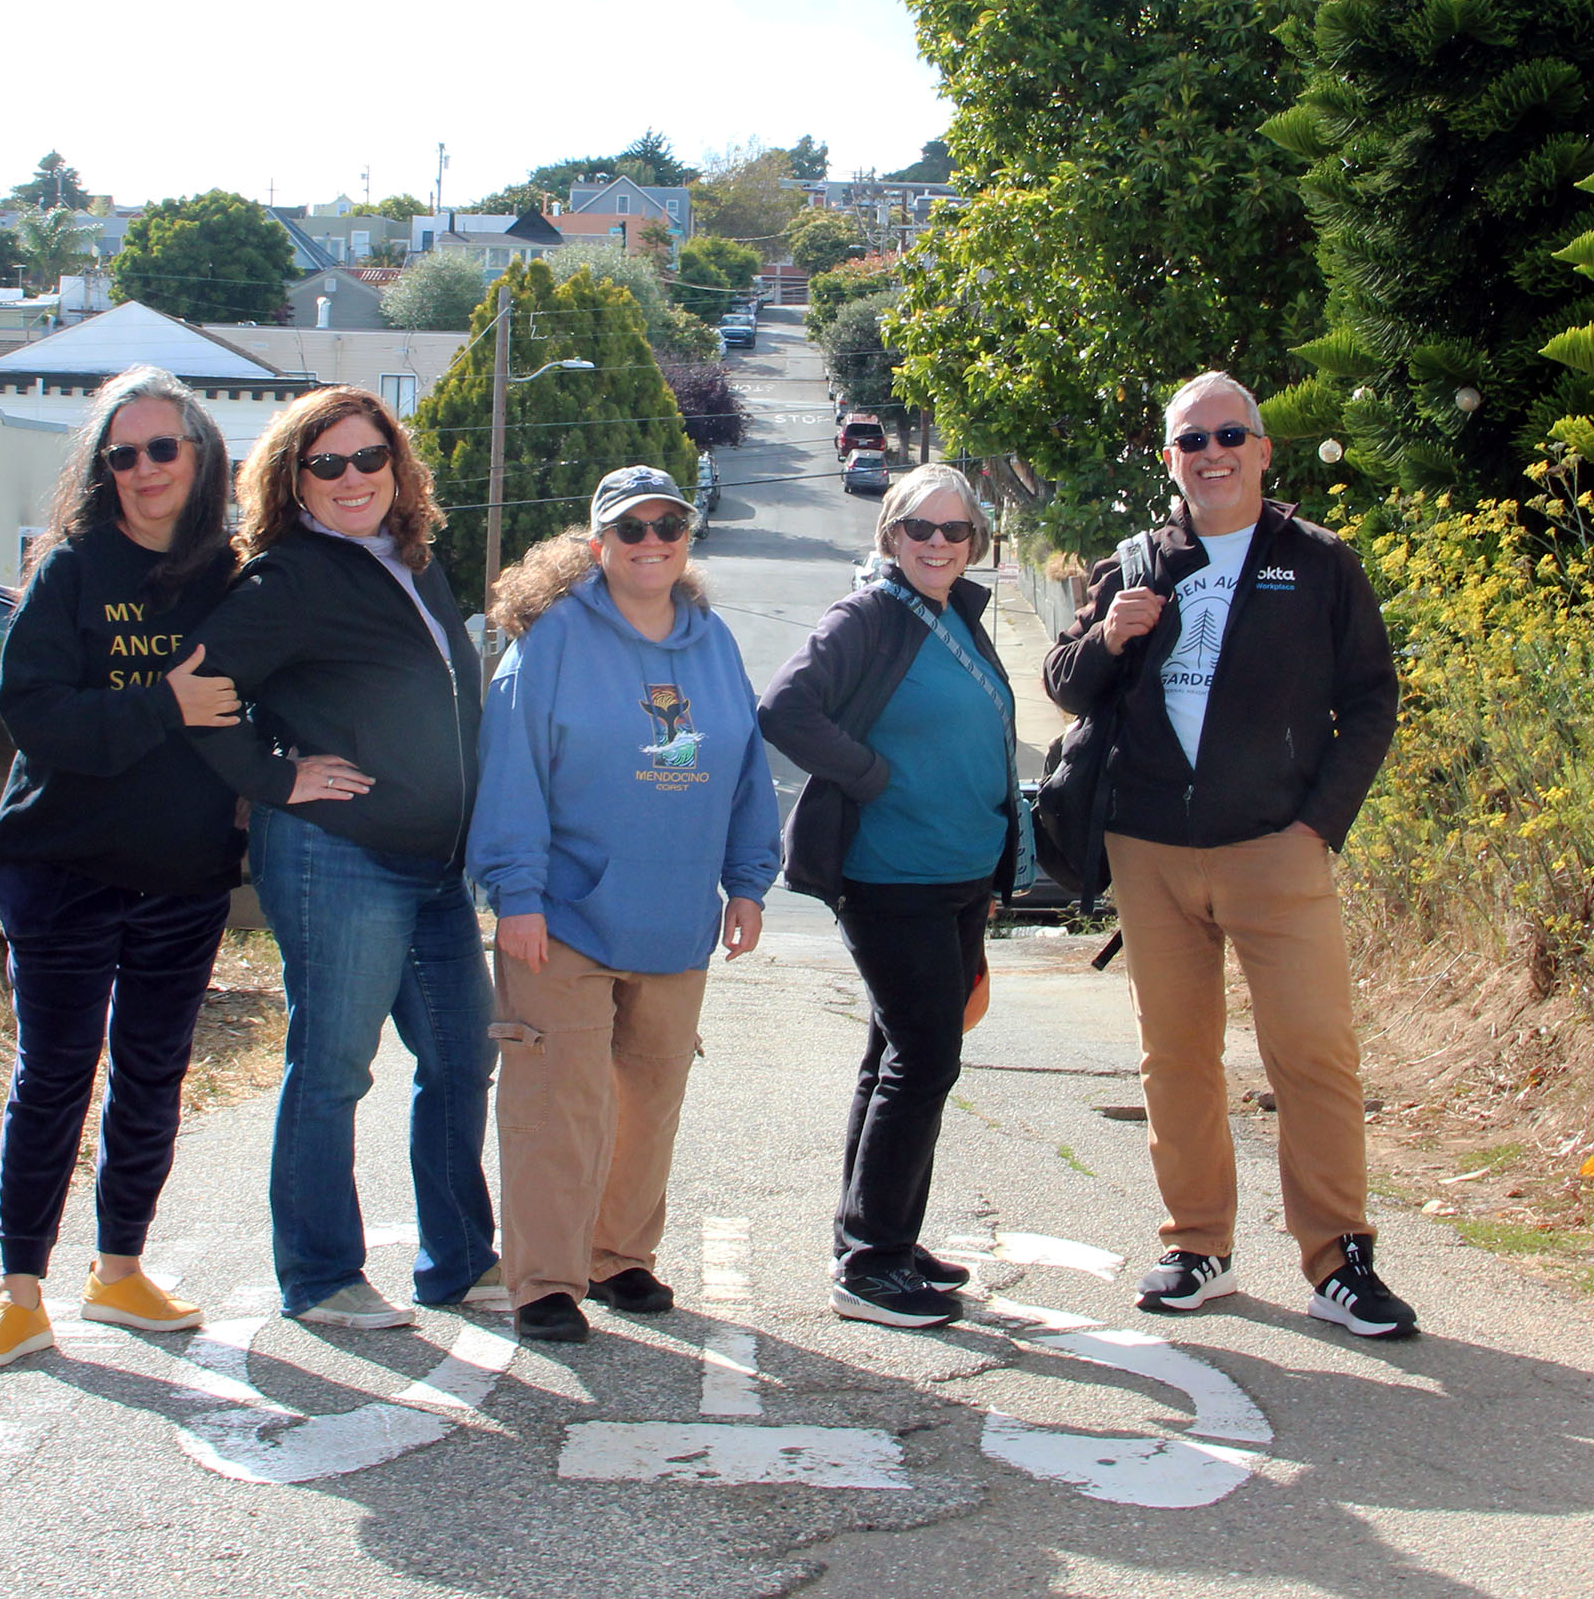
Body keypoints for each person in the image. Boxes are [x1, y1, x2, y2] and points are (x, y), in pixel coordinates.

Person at [1042, 371, 1413, 1338]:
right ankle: (1196, 1244)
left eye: (1229, 436)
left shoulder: (1319, 563)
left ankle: (1339, 1259)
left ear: (1262, 449)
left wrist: (1318, 822)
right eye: (1191, 441)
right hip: (1152, 846)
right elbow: (1068, 688)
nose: (1211, 454)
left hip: (1274, 847)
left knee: (1313, 1055)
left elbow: (1372, 698)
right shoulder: (1134, 562)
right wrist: (1111, 637)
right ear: (1169, 460)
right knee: (1177, 1058)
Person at [0, 365, 267, 1371]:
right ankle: (18, 1292)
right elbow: (36, 716)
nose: (141, 469)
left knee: (153, 1076)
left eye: (160, 448)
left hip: (182, 875)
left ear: (200, 455)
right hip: (63, 868)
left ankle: (120, 1268)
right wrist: (164, 703)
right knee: (53, 1075)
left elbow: (268, 699)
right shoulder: (71, 572)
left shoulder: (232, 573)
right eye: (120, 453)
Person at [177, 387, 499, 1329]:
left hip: (434, 866)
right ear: (293, 480)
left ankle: (461, 1262)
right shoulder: (291, 578)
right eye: (327, 464)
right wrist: (277, 779)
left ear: (397, 466)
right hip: (337, 857)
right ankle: (320, 1275)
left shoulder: (414, 564)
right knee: (333, 1068)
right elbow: (197, 685)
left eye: (369, 458)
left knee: (459, 1056)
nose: (352, 478)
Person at [468, 468, 780, 1344]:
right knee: (558, 1102)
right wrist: (516, 894)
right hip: (561, 917)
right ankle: (545, 1281)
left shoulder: (711, 639)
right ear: (597, 545)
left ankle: (620, 1257)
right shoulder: (555, 639)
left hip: (675, 917)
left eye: (668, 525)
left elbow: (745, 764)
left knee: (650, 1098)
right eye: (630, 529)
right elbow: (514, 771)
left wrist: (748, 880)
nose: (652, 541)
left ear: (687, 536)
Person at [759, 463, 1021, 1329]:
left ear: (975, 541)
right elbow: (786, 709)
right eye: (922, 530)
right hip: (889, 876)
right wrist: (872, 775)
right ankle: (870, 1265)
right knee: (924, 1058)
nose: (939, 543)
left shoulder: (956, 616)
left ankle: (884, 1239)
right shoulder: (868, 615)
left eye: (956, 531)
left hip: (955, 875)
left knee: (894, 1061)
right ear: (891, 537)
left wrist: (991, 866)